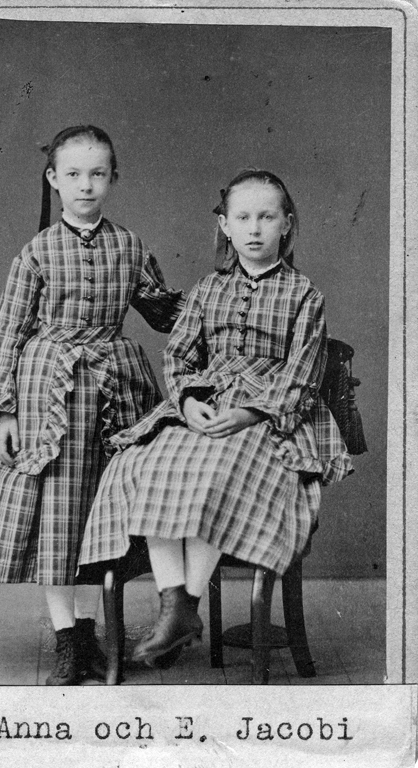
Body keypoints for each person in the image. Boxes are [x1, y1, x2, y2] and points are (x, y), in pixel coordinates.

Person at [77, 168, 353, 668]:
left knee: (216, 467)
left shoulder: (304, 295)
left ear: (286, 224)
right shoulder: (208, 289)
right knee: (146, 463)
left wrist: (249, 413)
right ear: (225, 225)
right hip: (207, 401)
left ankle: (185, 604)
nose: (254, 229)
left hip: (271, 413)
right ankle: (175, 605)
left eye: (266, 217)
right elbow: (179, 356)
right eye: (242, 218)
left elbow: (303, 374)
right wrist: (186, 402)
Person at [0, 125, 185, 685]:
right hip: (48, 395)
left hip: (116, 391)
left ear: (112, 178)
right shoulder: (36, 252)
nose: (86, 185)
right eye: (74, 174)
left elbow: (165, 313)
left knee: (105, 515)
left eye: (97, 174)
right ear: (54, 179)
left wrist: (217, 307)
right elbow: (7, 333)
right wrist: (3, 411)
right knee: (57, 520)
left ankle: (100, 628)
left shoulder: (130, 246)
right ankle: (68, 638)